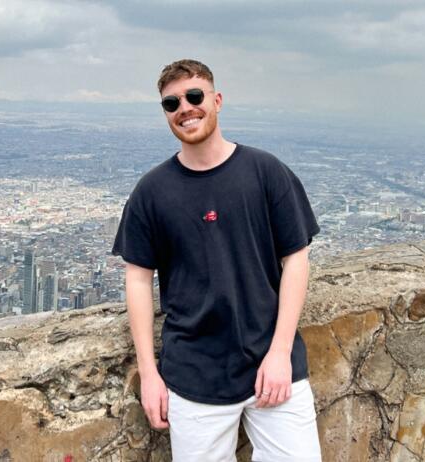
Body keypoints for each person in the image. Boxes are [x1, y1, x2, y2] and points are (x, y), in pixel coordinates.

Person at [111, 59, 322, 461]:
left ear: (217, 100)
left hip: (275, 367)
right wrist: (149, 374)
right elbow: (137, 279)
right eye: (171, 104)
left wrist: (279, 354)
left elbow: (297, 258)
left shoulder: (265, 172)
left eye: (194, 96)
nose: (184, 109)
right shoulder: (151, 192)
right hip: (195, 376)